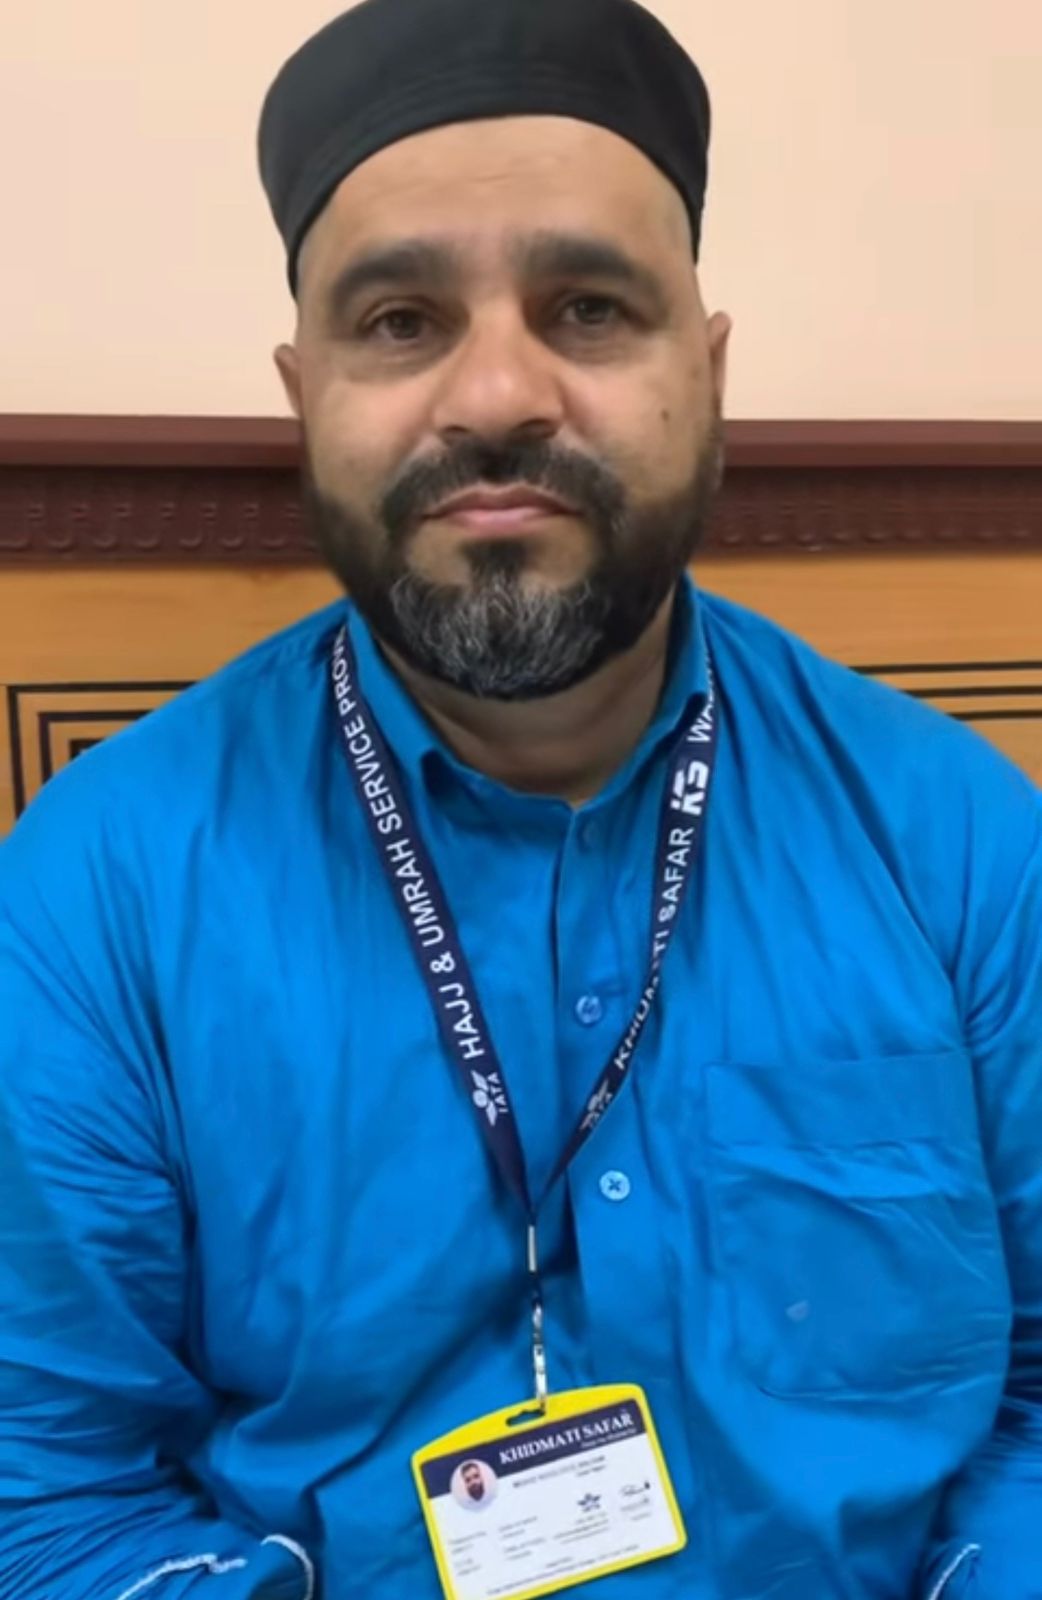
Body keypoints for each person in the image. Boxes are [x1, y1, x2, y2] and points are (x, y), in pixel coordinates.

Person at [0, 0, 1038, 1596]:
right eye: (400, 319)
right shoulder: (98, 892)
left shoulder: (961, 842)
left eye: (588, 307)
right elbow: (49, 1496)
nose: (495, 393)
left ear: (707, 373)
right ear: (302, 390)